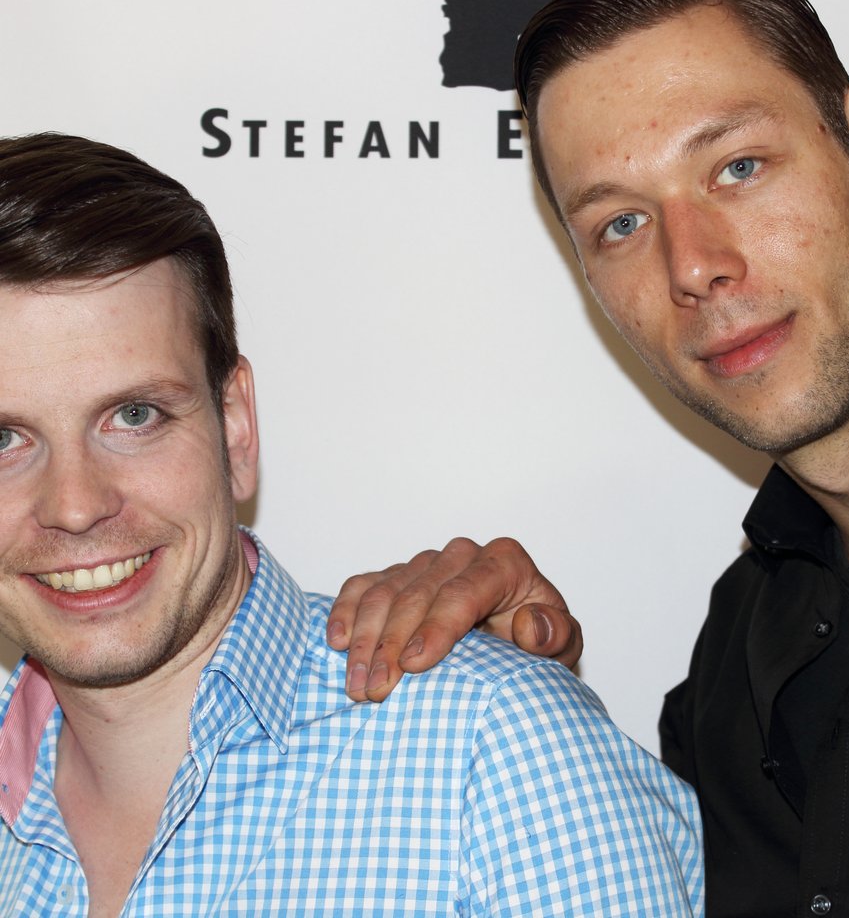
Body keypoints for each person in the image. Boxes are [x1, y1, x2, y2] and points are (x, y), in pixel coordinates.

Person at [326, 0, 849, 917]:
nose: (692, 266)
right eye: (621, 225)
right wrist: (534, 699)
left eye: (737, 168)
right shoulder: (736, 653)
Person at [0, 132, 703, 916]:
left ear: (235, 427)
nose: (74, 505)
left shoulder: (499, 755)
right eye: (4, 440)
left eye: (135, 416)